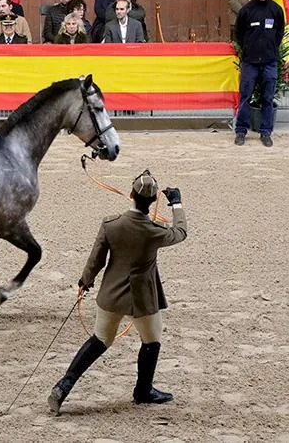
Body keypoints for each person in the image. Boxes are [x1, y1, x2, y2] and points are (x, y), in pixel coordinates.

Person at [48, 171, 187, 415]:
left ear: (131, 195)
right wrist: (176, 203)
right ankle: (143, 390)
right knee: (152, 341)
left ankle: (64, 385)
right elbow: (180, 233)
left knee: (99, 340)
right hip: (142, 300)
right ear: (154, 201)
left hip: (110, 295)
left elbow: (96, 258)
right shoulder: (154, 231)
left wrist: (85, 281)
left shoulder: (111, 224)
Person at [234, 0, 284, 147]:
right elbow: (238, 35)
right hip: (250, 63)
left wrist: (269, 49)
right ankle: (241, 131)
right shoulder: (246, 11)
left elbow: (279, 34)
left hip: (269, 62)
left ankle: (265, 132)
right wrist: (248, 50)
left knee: (267, 98)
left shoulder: (276, 10)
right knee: (245, 97)